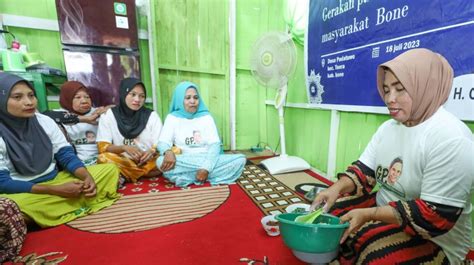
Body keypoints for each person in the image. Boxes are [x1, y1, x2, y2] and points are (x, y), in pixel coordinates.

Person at [310, 48, 474, 264]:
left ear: (424, 86)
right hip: (385, 210)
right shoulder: (389, 128)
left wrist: (369, 215)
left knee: (376, 253)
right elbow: (363, 173)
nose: (390, 98)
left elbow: (433, 218)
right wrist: (335, 188)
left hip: (436, 240)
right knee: (328, 214)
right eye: (386, 90)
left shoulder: (451, 138)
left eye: (400, 89)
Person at [0, 72, 120, 228]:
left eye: (31, 95)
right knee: (8, 207)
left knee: (109, 170)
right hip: (23, 190)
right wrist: (54, 190)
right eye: (17, 97)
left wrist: (86, 176)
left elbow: (65, 154)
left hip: (56, 178)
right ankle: (70, 204)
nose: (29, 102)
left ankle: (42, 215)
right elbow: (3, 183)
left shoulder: (44, 122)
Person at [157, 81, 246, 188]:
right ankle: (204, 175)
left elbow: (215, 145)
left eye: (195, 97)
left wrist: (206, 168)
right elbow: (162, 142)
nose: (192, 101)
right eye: (188, 98)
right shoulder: (173, 118)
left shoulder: (206, 117)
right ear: (180, 99)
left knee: (240, 159)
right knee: (160, 161)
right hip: (185, 159)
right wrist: (168, 151)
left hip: (207, 158)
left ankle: (186, 177)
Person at [96, 78, 162, 183]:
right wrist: (124, 148)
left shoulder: (151, 115)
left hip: (149, 161)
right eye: (133, 94)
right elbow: (103, 147)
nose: (137, 100)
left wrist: (152, 151)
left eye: (142, 96)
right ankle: (144, 173)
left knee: (174, 152)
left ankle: (128, 174)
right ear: (123, 93)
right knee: (103, 158)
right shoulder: (109, 115)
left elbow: (160, 143)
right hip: (125, 161)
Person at [53, 81, 112, 165]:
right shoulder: (60, 114)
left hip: (102, 159)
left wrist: (109, 108)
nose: (84, 101)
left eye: (87, 97)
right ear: (67, 99)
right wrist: (85, 119)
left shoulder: (97, 112)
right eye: (78, 97)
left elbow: (119, 109)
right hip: (76, 163)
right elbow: (44, 116)